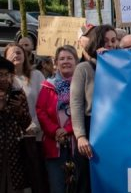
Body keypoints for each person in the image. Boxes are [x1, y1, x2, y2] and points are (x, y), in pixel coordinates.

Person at [71, 24, 118, 193]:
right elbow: (76, 104)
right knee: (86, 181)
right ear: (97, 42)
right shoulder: (83, 68)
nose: (111, 44)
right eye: (106, 41)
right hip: (91, 128)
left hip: (113, 129)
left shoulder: (120, 67)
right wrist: (81, 136)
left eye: (114, 40)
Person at [36, 45, 78, 193]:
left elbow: (83, 111)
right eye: (61, 59)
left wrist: (67, 130)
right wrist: (56, 131)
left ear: (76, 61)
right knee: (57, 187)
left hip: (77, 145)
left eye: (69, 58)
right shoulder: (48, 86)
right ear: (56, 62)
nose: (65, 61)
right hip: (54, 145)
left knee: (78, 186)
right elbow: (40, 111)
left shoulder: (83, 84)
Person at [0, 56, 32, 192]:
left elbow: (26, 124)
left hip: (14, 154)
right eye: (0, 75)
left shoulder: (17, 93)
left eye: (7, 75)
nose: (4, 79)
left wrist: (19, 110)